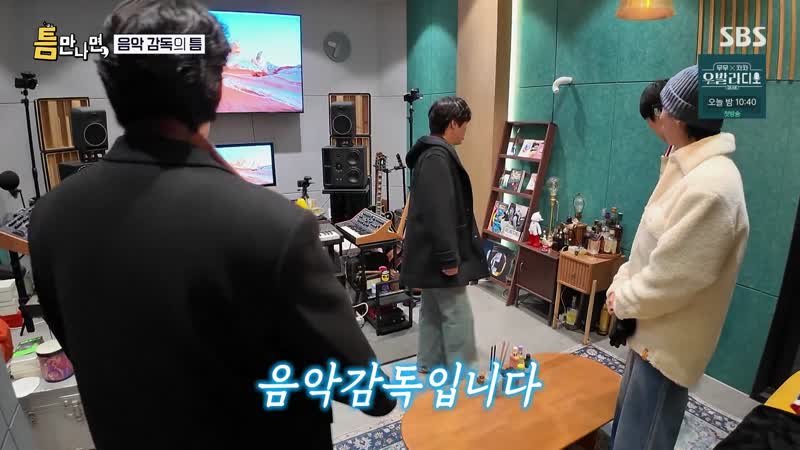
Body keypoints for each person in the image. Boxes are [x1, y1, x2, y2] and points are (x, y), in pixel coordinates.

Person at [27, 1, 395, 449]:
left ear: (110, 83)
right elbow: (369, 392)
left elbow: (79, 345)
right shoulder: (274, 226)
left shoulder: (51, 216)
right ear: (215, 85)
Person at [606, 65, 750, 450]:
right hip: (649, 331)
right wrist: (622, 282)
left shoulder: (711, 187)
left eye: (664, 108)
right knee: (627, 428)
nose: (660, 116)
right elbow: (652, 243)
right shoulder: (686, 165)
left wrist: (623, 298)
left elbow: (674, 278)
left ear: (679, 118)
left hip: (666, 347)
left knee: (641, 439)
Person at [400, 96, 490, 373]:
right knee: (457, 315)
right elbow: (439, 213)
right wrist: (449, 259)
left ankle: (429, 362)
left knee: (431, 310)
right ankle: (464, 374)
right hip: (439, 255)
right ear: (452, 123)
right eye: (464, 126)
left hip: (428, 254)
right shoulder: (437, 158)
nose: (465, 132)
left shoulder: (430, 154)